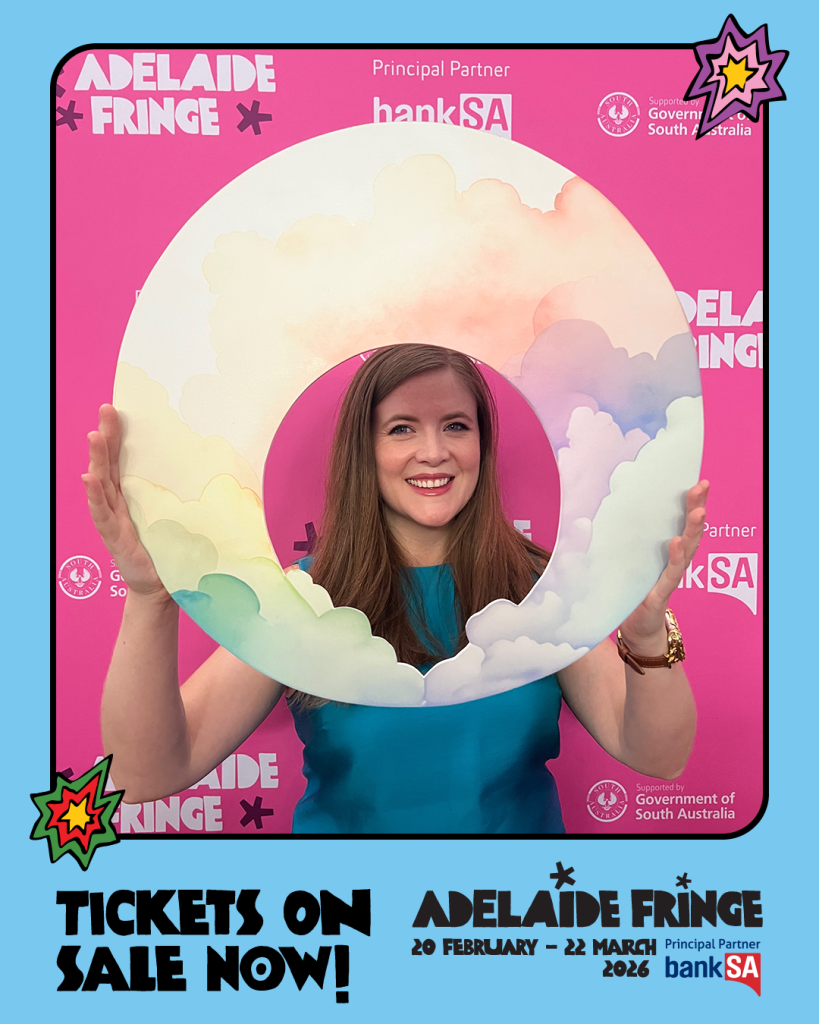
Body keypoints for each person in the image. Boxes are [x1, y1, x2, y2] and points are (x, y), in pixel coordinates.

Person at [84, 344, 707, 834]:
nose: (433, 453)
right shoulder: (302, 599)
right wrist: (149, 599)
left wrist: (648, 631)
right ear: (366, 449)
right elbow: (144, 774)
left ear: (482, 446)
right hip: (350, 935)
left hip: (504, 931)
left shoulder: (543, 588)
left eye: (456, 426)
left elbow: (657, 755)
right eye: (402, 429)